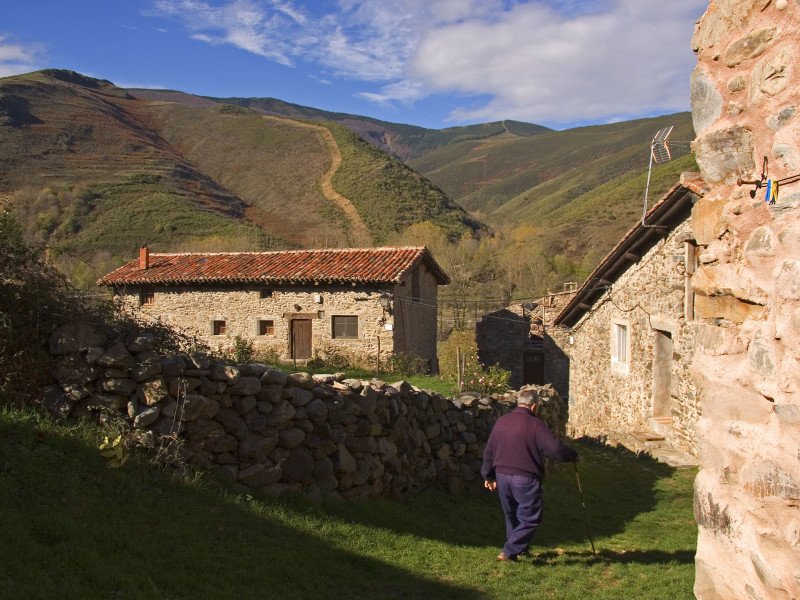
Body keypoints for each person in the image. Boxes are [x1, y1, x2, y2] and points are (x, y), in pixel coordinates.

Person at [481, 389, 579, 562]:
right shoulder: (535, 425)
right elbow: (555, 449)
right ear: (534, 406)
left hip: (502, 475)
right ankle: (510, 550)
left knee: (511, 515)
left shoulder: (502, 422)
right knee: (531, 516)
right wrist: (573, 456)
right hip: (524, 478)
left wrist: (488, 476)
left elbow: (489, 451)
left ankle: (518, 551)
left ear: (519, 403)